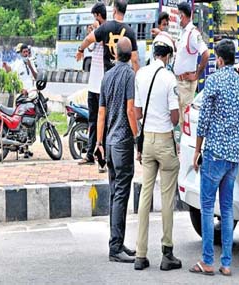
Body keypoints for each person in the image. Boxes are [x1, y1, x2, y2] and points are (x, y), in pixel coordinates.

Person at [189, 39, 239, 277]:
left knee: (208, 208)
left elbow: (203, 122)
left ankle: (208, 261)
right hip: (234, 157)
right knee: (227, 210)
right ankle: (227, 264)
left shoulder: (214, 81)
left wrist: (197, 151)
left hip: (214, 155)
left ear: (219, 59)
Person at [133, 33, 181, 271]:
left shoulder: (141, 74)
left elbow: (137, 112)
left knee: (145, 196)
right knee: (167, 197)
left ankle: (140, 255)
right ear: (168, 55)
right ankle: (167, 252)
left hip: (147, 141)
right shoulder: (169, 78)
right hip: (164, 140)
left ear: (154, 54)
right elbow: (174, 118)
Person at [95, 37, 138, 263]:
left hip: (109, 144)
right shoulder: (130, 75)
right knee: (121, 195)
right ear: (130, 55)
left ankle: (117, 242)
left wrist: (99, 142)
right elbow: (131, 110)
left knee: (115, 193)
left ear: (114, 54)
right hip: (122, 143)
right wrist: (137, 136)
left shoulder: (107, 76)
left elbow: (101, 113)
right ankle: (115, 248)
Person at [78, 2, 107, 174]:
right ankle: (90, 153)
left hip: (102, 84)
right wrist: (90, 34)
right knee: (93, 121)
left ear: (98, 15)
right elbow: (89, 47)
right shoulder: (95, 34)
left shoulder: (106, 31)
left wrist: (94, 31)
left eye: (94, 16)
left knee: (104, 122)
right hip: (93, 84)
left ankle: (102, 155)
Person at [76, 0, 139, 73]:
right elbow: (134, 60)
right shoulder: (130, 32)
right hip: (123, 74)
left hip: (108, 73)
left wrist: (80, 50)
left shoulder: (105, 27)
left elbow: (88, 39)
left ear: (114, 10)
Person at [173, 2, 209, 127]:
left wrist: (197, 75)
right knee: (180, 119)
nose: (178, 18)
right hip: (179, 82)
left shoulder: (193, 33)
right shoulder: (183, 32)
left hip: (186, 84)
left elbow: (206, 53)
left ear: (182, 15)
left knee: (186, 121)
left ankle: (186, 145)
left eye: (179, 15)